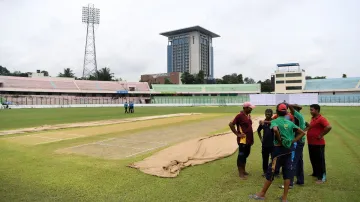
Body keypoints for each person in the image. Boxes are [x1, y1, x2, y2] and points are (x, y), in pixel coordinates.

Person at [250, 103, 306, 202]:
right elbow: (302, 132)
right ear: (286, 112)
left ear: (277, 111)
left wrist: (279, 139)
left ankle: (262, 194)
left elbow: (275, 129)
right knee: (287, 173)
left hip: (278, 151)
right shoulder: (290, 123)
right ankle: (284, 198)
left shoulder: (275, 121)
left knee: (271, 172)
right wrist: (293, 141)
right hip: (288, 151)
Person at [279, 104, 307, 189]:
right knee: (299, 161)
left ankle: (290, 183)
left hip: (297, 142)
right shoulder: (298, 117)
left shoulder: (297, 115)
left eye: (291, 110)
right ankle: (300, 180)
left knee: (292, 161)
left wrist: (287, 104)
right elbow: (307, 125)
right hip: (300, 141)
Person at [229, 102, 255, 180]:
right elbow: (231, 124)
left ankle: (243, 170)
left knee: (246, 155)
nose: (251, 109)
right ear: (245, 108)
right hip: (242, 140)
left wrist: (252, 139)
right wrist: (237, 134)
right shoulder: (239, 116)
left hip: (249, 140)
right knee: (241, 156)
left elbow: (250, 128)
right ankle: (240, 173)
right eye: (250, 108)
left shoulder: (248, 115)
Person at [306, 104, 332, 184]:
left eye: (312, 110)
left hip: (318, 144)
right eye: (310, 110)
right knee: (313, 159)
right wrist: (308, 126)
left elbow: (328, 127)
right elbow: (313, 127)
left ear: (317, 110)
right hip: (311, 143)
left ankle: (322, 177)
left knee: (320, 160)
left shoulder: (321, 119)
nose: (310, 111)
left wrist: (321, 135)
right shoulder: (313, 118)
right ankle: (315, 173)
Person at [257, 109, 275, 177]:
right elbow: (258, 131)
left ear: (272, 114)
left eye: (269, 114)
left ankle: (274, 171)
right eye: (266, 114)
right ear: (265, 114)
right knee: (265, 158)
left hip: (273, 144)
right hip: (265, 144)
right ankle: (265, 171)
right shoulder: (262, 123)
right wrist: (261, 139)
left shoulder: (273, 122)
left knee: (274, 158)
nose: (267, 115)